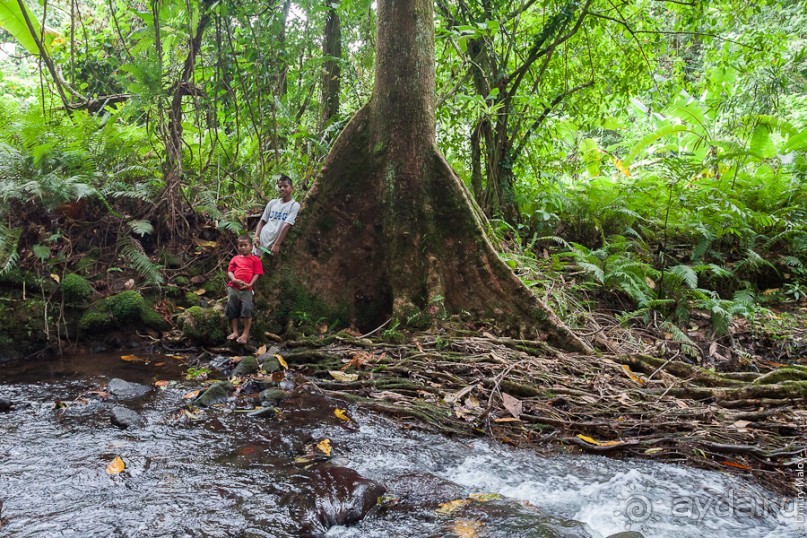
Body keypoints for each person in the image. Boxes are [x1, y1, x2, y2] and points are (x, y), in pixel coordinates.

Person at [226, 235, 264, 344]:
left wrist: (250, 284)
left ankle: (245, 334)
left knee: (247, 308)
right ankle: (235, 332)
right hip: (233, 287)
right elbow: (230, 271)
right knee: (232, 308)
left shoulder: (255, 260)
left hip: (247, 288)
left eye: (245, 245)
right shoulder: (235, 259)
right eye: (240, 245)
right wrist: (234, 280)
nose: (243, 248)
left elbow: (257, 273)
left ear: (251, 246)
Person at [253, 174, 300, 257]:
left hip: (272, 245)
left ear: (292, 188)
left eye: (285, 186)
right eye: (280, 186)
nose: (282, 188)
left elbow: (287, 225)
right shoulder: (272, 203)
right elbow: (262, 221)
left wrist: (277, 244)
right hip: (261, 241)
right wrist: (256, 236)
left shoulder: (294, 205)